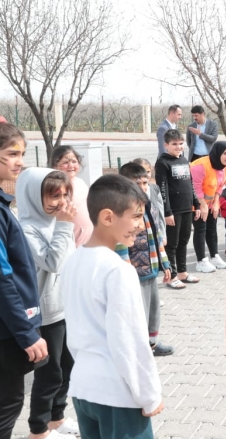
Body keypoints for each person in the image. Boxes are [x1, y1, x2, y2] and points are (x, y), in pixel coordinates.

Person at [62, 175, 164, 438]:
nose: (141, 226)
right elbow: (129, 341)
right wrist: (150, 395)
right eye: (136, 216)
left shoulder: (73, 262)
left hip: (83, 388)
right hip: (118, 394)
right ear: (107, 217)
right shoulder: (119, 271)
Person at [17, 169, 79, 438]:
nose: (61, 201)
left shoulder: (55, 221)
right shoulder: (27, 228)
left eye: (65, 194)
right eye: (54, 196)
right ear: (34, 196)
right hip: (46, 314)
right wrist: (66, 225)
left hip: (67, 307)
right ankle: (38, 429)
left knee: (67, 368)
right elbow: (52, 263)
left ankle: (57, 418)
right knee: (49, 374)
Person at [0, 125, 49, 439]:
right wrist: (27, 333)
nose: (19, 162)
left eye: (22, 154)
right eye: (11, 154)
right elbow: (2, 281)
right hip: (7, 331)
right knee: (8, 404)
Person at [117, 163, 174, 357]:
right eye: (137, 183)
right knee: (138, 311)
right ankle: (138, 348)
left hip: (151, 267)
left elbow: (156, 236)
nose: (142, 187)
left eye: (144, 182)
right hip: (134, 271)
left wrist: (165, 263)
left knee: (153, 310)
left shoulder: (146, 206)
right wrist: (126, 267)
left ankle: (151, 343)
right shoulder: (122, 210)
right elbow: (121, 242)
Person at [155, 129, 201, 287]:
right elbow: (163, 189)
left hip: (187, 207)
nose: (178, 147)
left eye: (181, 144)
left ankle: (182, 272)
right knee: (172, 244)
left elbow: (191, 184)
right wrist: (167, 212)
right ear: (166, 145)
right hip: (173, 211)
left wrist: (196, 204)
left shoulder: (183, 160)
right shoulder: (163, 163)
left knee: (184, 241)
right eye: (174, 144)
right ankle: (171, 276)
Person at [191, 142, 226, 273]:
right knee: (200, 229)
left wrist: (216, 203)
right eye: (225, 153)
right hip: (196, 203)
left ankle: (214, 256)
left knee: (212, 228)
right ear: (217, 152)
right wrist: (202, 205)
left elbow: (220, 186)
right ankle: (201, 261)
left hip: (210, 202)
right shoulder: (200, 165)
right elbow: (195, 187)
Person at [50, 146, 93, 248]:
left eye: (74, 161)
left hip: (88, 239)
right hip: (71, 241)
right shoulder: (56, 187)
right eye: (65, 162)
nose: (71, 165)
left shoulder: (80, 182)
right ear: (54, 165)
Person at [131, 158, 167, 248]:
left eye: (148, 171)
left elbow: (160, 213)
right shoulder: (129, 191)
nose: (145, 175)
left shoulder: (155, 188)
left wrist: (163, 235)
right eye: (142, 171)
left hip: (155, 232)